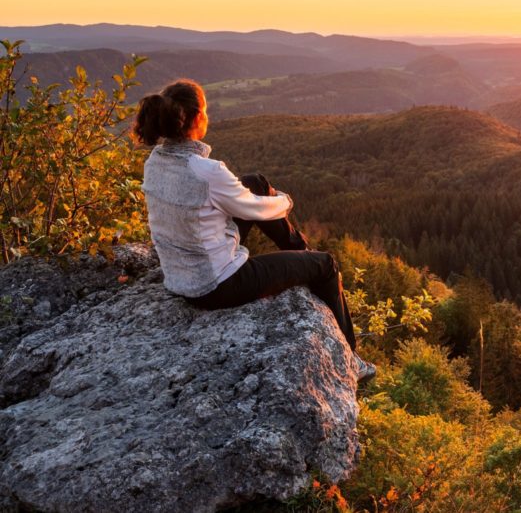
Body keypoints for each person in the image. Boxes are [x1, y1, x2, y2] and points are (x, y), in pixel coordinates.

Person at [132, 78, 375, 382]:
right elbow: (256, 208)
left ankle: (302, 256)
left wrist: (266, 195)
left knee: (256, 182)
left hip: (179, 276)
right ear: (196, 118)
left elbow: (245, 199)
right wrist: (285, 201)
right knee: (326, 265)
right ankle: (350, 360)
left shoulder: (155, 161)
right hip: (217, 285)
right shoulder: (207, 171)